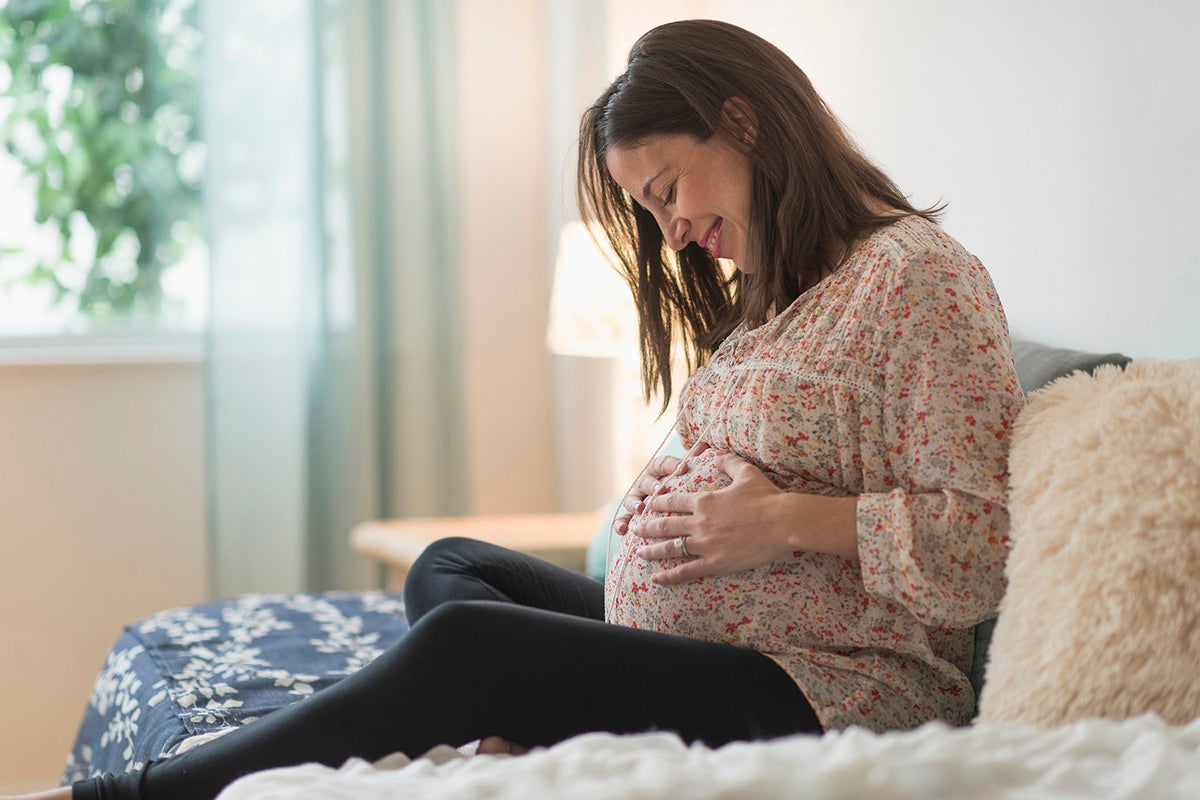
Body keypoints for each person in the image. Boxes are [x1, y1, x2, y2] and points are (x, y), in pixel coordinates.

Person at [10, 18, 1023, 800]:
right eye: (652, 210)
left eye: (668, 189)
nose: (672, 234)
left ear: (745, 119)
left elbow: (975, 544)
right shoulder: (774, 294)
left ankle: (134, 792)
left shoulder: (918, 282)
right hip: (704, 645)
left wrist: (772, 520)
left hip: (830, 689)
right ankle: (533, 710)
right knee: (452, 566)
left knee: (467, 648)